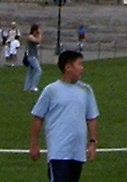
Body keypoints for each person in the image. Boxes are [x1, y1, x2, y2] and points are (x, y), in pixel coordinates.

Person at [31, 49, 100, 182]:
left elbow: (92, 118)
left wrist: (93, 142)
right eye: (79, 64)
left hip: (77, 151)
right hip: (59, 152)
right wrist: (34, 144)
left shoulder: (86, 90)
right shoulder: (51, 90)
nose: (82, 68)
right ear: (68, 67)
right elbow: (38, 117)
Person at [25, 23, 45, 92]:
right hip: (31, 56)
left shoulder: (34, 37)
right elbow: (38, 41)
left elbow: (41, 42)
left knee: (30, 72)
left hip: (34, 56)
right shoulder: (30, 37)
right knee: (38, 71)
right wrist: (40, 34)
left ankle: (27, 87)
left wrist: (40, 35)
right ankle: (34, 86)